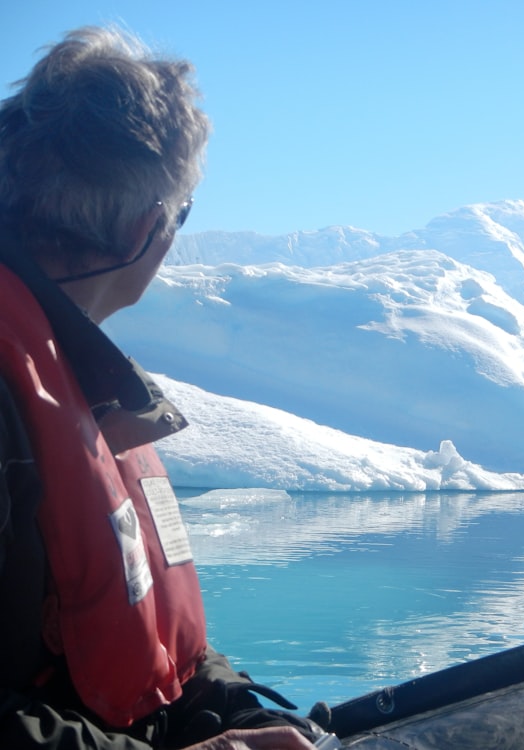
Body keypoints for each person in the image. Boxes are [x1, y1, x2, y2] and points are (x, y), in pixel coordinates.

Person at [0, 26, 333, 749]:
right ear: (148, 230)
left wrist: (240, 715)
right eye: (182, 217)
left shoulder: (70, 373)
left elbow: (156, 651)